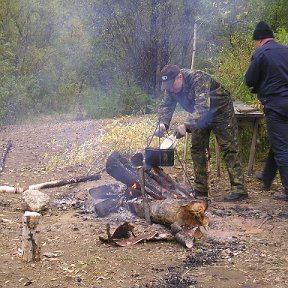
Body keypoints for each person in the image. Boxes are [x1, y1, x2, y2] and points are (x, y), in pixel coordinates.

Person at [155, 64, 247, 201]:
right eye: (167, 86)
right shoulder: (170, 88)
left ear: (179, 77)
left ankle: (239, 189)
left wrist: (186, 125)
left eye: (171, 85)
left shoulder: (198, 78)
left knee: (229, 148)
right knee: (197, 148)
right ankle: (200, 189)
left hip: (221, 111)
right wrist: (163, 123)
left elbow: (203, 107)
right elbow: (166, 106)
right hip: (198, 115)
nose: (170, 89)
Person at [244, 21, 288, 201]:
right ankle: (267, 176)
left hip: (276, 105)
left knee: (282, 147)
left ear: (259, 40)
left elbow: (249, 80)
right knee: (279, 142)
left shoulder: (260, 53)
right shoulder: (286, 50)